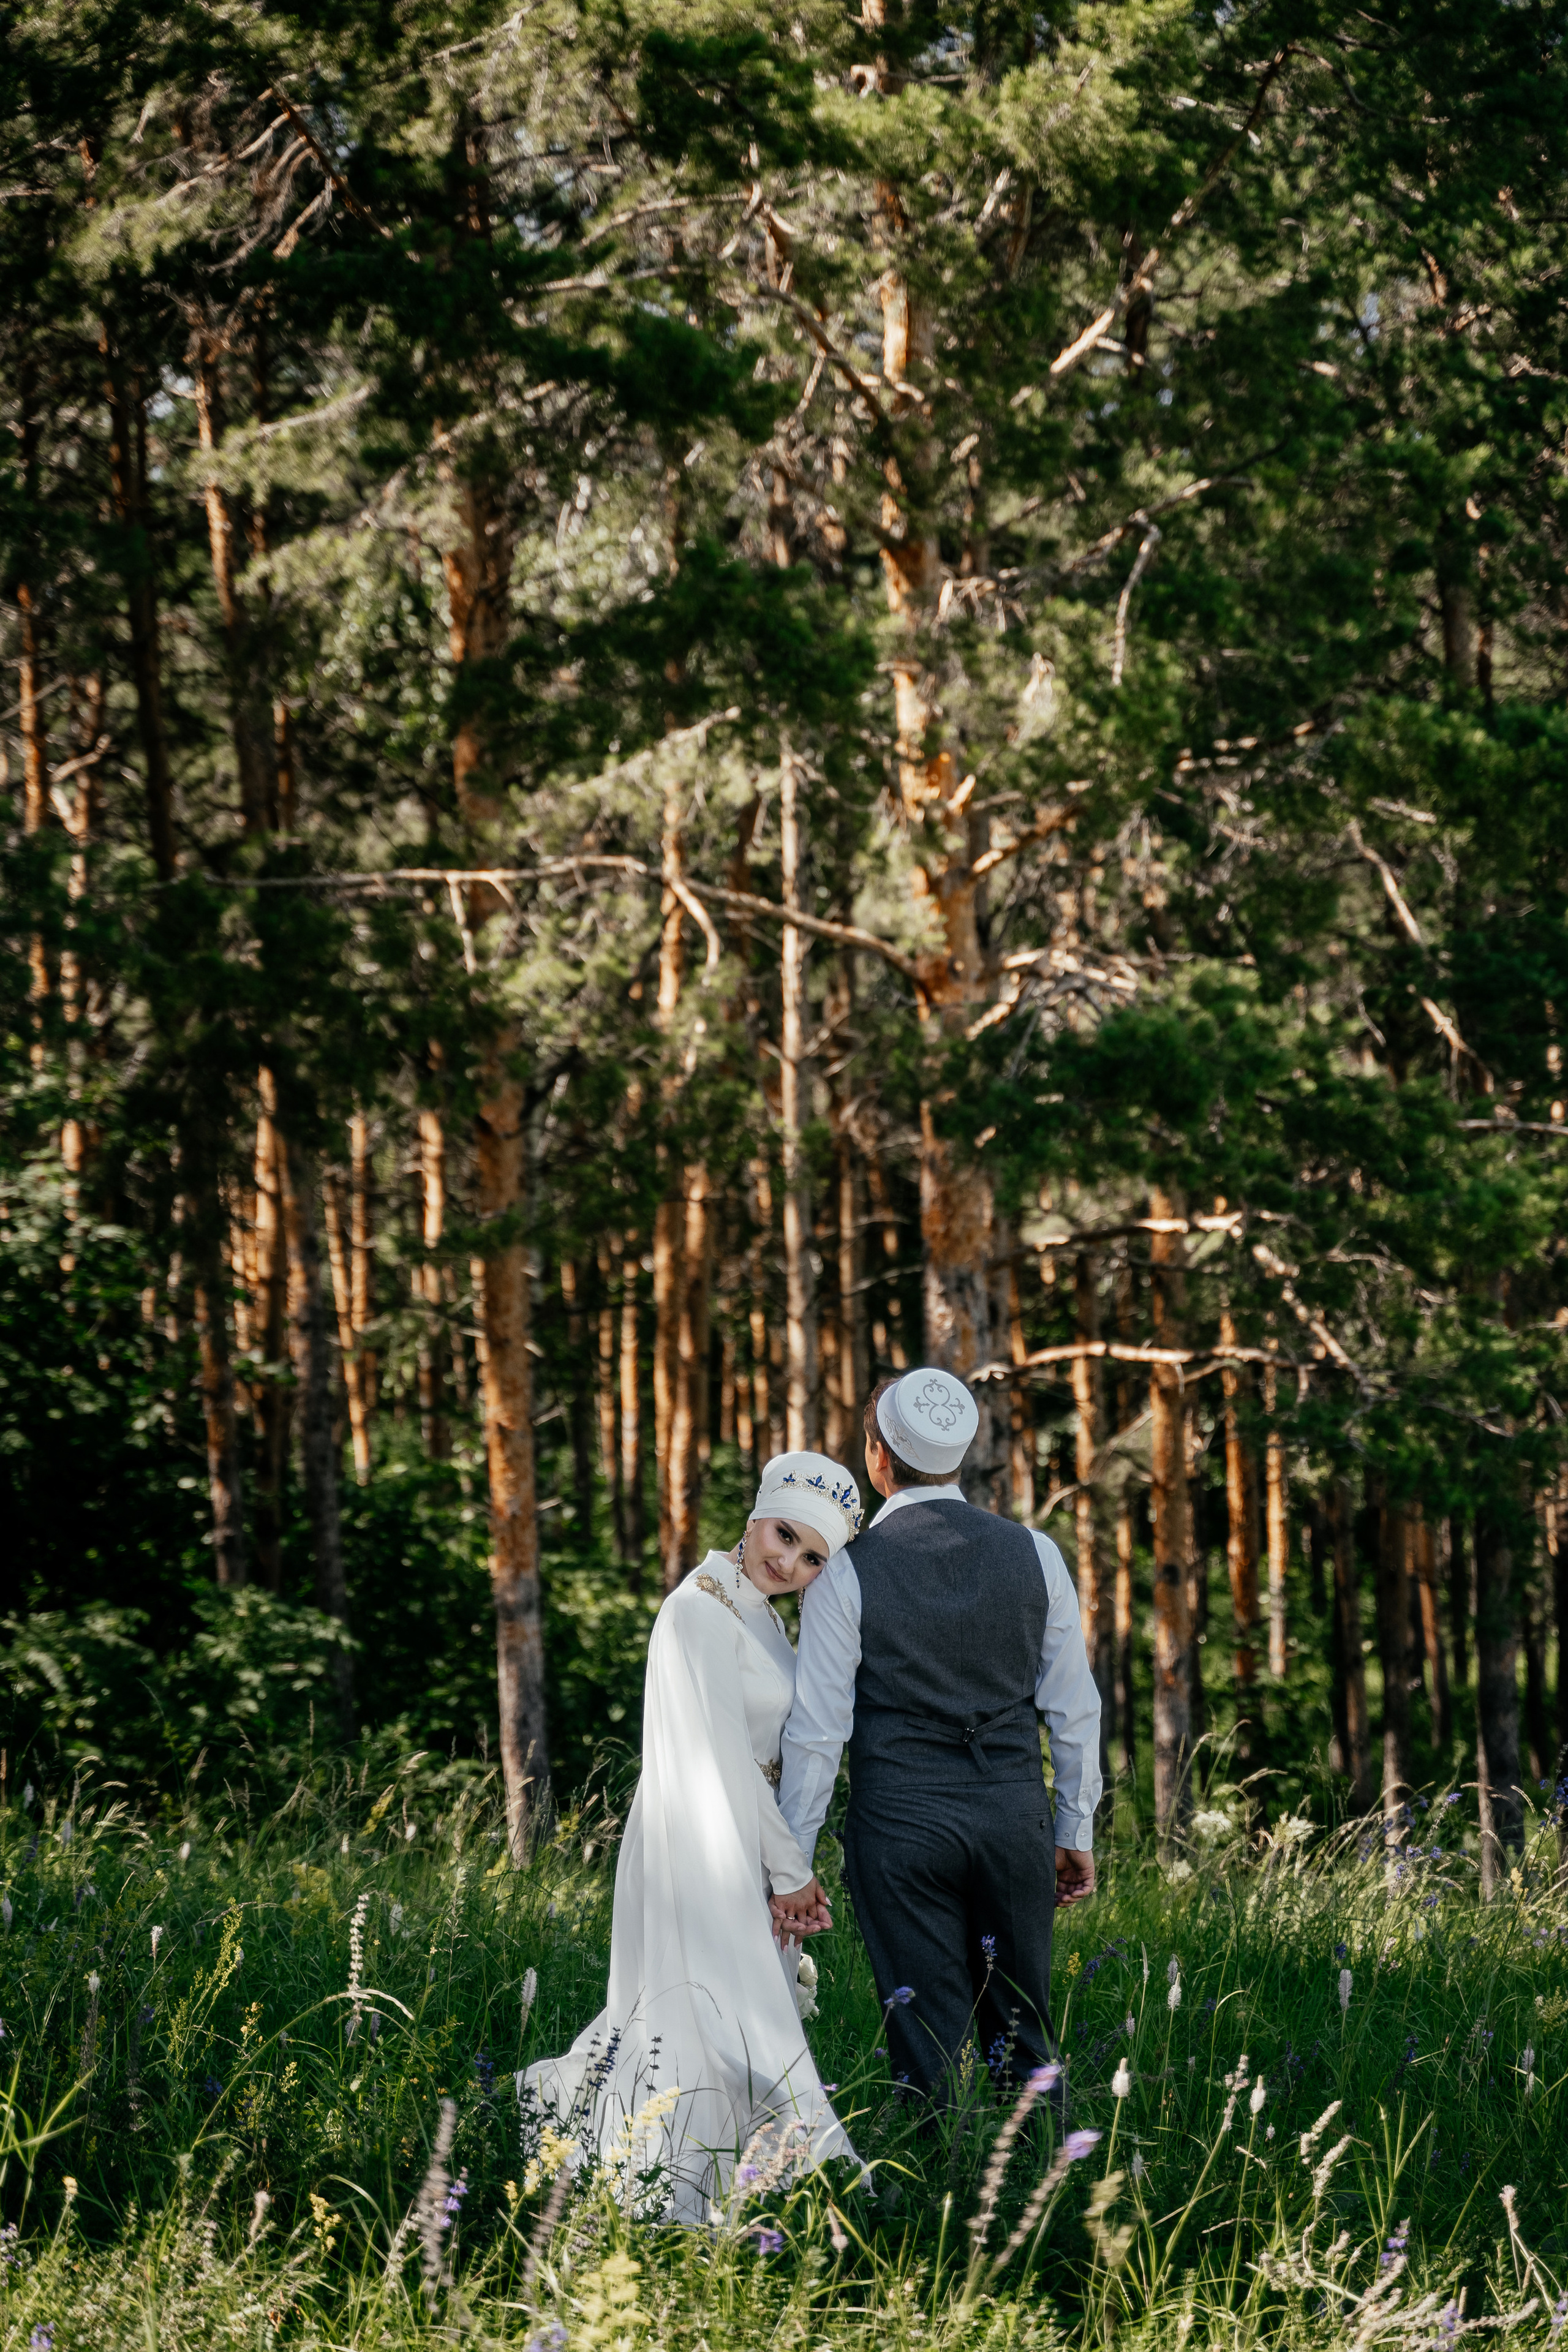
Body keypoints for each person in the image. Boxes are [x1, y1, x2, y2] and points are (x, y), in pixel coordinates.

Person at [522, 1451, 862, 2223]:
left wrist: (780, 1859)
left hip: (743, 1823)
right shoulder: (698, 1608)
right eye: (783, 1536)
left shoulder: (756, 1610)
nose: (790, 1561)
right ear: (753, 1515)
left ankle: (747, 2175)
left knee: (723, 2007)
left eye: (813, 1557)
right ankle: (722, 2183)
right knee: (718, 2006)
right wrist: (788, 1872)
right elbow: (716, 1752)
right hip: (698, 1828)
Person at [775, 1370, 1102, 2106]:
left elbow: (818, 1733)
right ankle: (1040, 2198)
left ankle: (933, 2202)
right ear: (957, 1458)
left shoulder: (845, 1572)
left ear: (878, 1458)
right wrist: (1074, 1824)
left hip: (900, 1828)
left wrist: (789, 1865)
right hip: (1014, 1821)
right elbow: (1074, 1709)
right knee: (1026, 2036)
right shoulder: (1037, 1553)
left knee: (922, 2042)